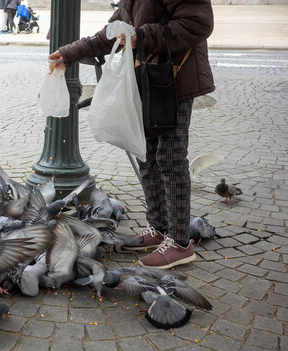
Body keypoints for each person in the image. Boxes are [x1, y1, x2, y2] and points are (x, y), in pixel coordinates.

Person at [49, 0, 215, 269]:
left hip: (175, 80)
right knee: (145, 155)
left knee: (170, 159)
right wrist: (69, 53)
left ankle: (181, 242)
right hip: (147, 79)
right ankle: (159, 228)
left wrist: (142, 36)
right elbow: (112, 32)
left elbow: (198, 23)